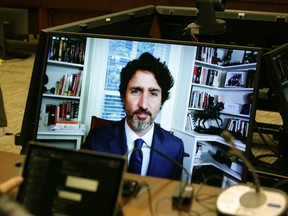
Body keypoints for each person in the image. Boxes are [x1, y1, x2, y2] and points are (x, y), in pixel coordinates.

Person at [82, 52, 185, 180]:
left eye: (153, 93)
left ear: (161, 101)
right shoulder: (96, 139)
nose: (143, 105)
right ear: (123, 97)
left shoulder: (175, 147)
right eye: (135, 91)